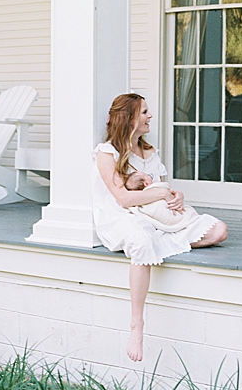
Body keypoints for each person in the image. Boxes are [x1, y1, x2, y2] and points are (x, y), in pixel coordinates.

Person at [94, 93, 228, 363]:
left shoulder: (151, 152)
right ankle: (136, 325)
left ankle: (162, 243)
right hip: (123, 214)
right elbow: (123, 198)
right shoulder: (107, 153)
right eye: (144, 112)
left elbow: (163, 189)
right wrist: (160, 195)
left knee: (218, 230)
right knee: (142, 242)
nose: (149, 116)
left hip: (157, 214)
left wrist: (178, 197)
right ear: (128, 118)